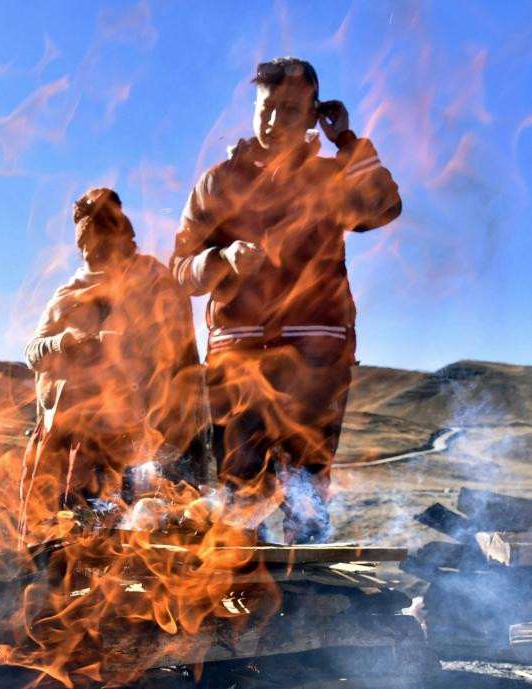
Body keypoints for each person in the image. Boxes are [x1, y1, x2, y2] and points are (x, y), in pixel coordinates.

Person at [170, 57, 402, 543]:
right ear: (253, 108)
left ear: (313, 114)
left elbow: (383, 208)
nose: (275, 122)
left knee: (307, 491)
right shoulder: (217, 183)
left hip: (316, 361)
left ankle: (308, 608)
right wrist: (224, 259)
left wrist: (346, 140)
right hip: (237, 360)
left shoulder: (328, 177)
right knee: (239, 497)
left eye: (292, 111)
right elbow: (181, 271)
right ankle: (236, 604)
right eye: (267, 108)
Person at [21, 188, 209, 522]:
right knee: (83, 538)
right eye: (88, 247)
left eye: (105, 241)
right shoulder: (68, 294)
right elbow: (33, 353)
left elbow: (179, 354)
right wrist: (61, 342)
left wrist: (131, 345)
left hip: (143, 434)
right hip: (81, 442)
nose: (96, 254)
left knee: (149, 529)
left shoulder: (153, 280)